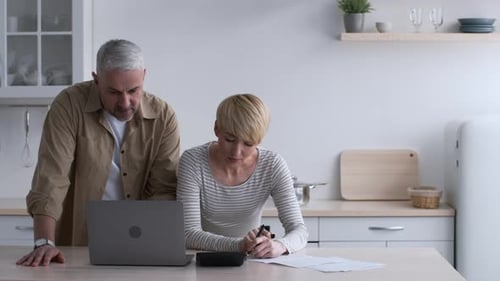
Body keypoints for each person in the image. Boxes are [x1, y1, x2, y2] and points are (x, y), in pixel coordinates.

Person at [16, 39, 180, 267]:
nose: (125, 103)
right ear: (96, 80)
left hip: (139, 244)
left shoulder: (163, 117)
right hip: (76, 242)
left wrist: (152, 247)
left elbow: (164, 190)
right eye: (113, 92)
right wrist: (44, 242)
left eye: (134, 91)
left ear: (144, 76)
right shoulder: (68, 105)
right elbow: (52, 177)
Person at [177, 93, 308, 258]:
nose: (237, 152)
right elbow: (188, 234)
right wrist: (239, 245)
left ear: (260, 140)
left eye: (248, 144)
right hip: (202, 260)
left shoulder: (272, 165)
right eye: (229, 139)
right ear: (217, 128)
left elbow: (299, 230)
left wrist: (280, 245)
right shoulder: (193, 161)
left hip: (251, 261)